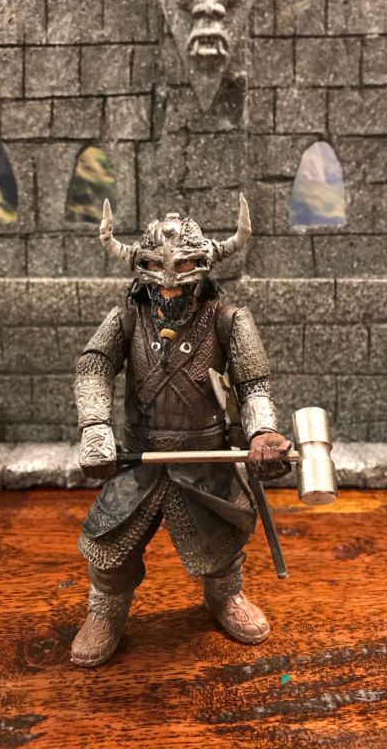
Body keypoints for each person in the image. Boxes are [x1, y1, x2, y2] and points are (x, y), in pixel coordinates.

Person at [71, 193, 291, 667]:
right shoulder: (127, 316)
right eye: (158, 275)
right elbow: (93, 367)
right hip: (139, 457)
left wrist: (261, 433)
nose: (170, 290)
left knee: (223, 542)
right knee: (109, 546)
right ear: (143, 273)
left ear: (202, 271)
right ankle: (105, 611)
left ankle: (224, 596)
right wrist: (95, 427)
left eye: (183, 274)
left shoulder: (229, 321)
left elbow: (253, 385)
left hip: (206, 457)